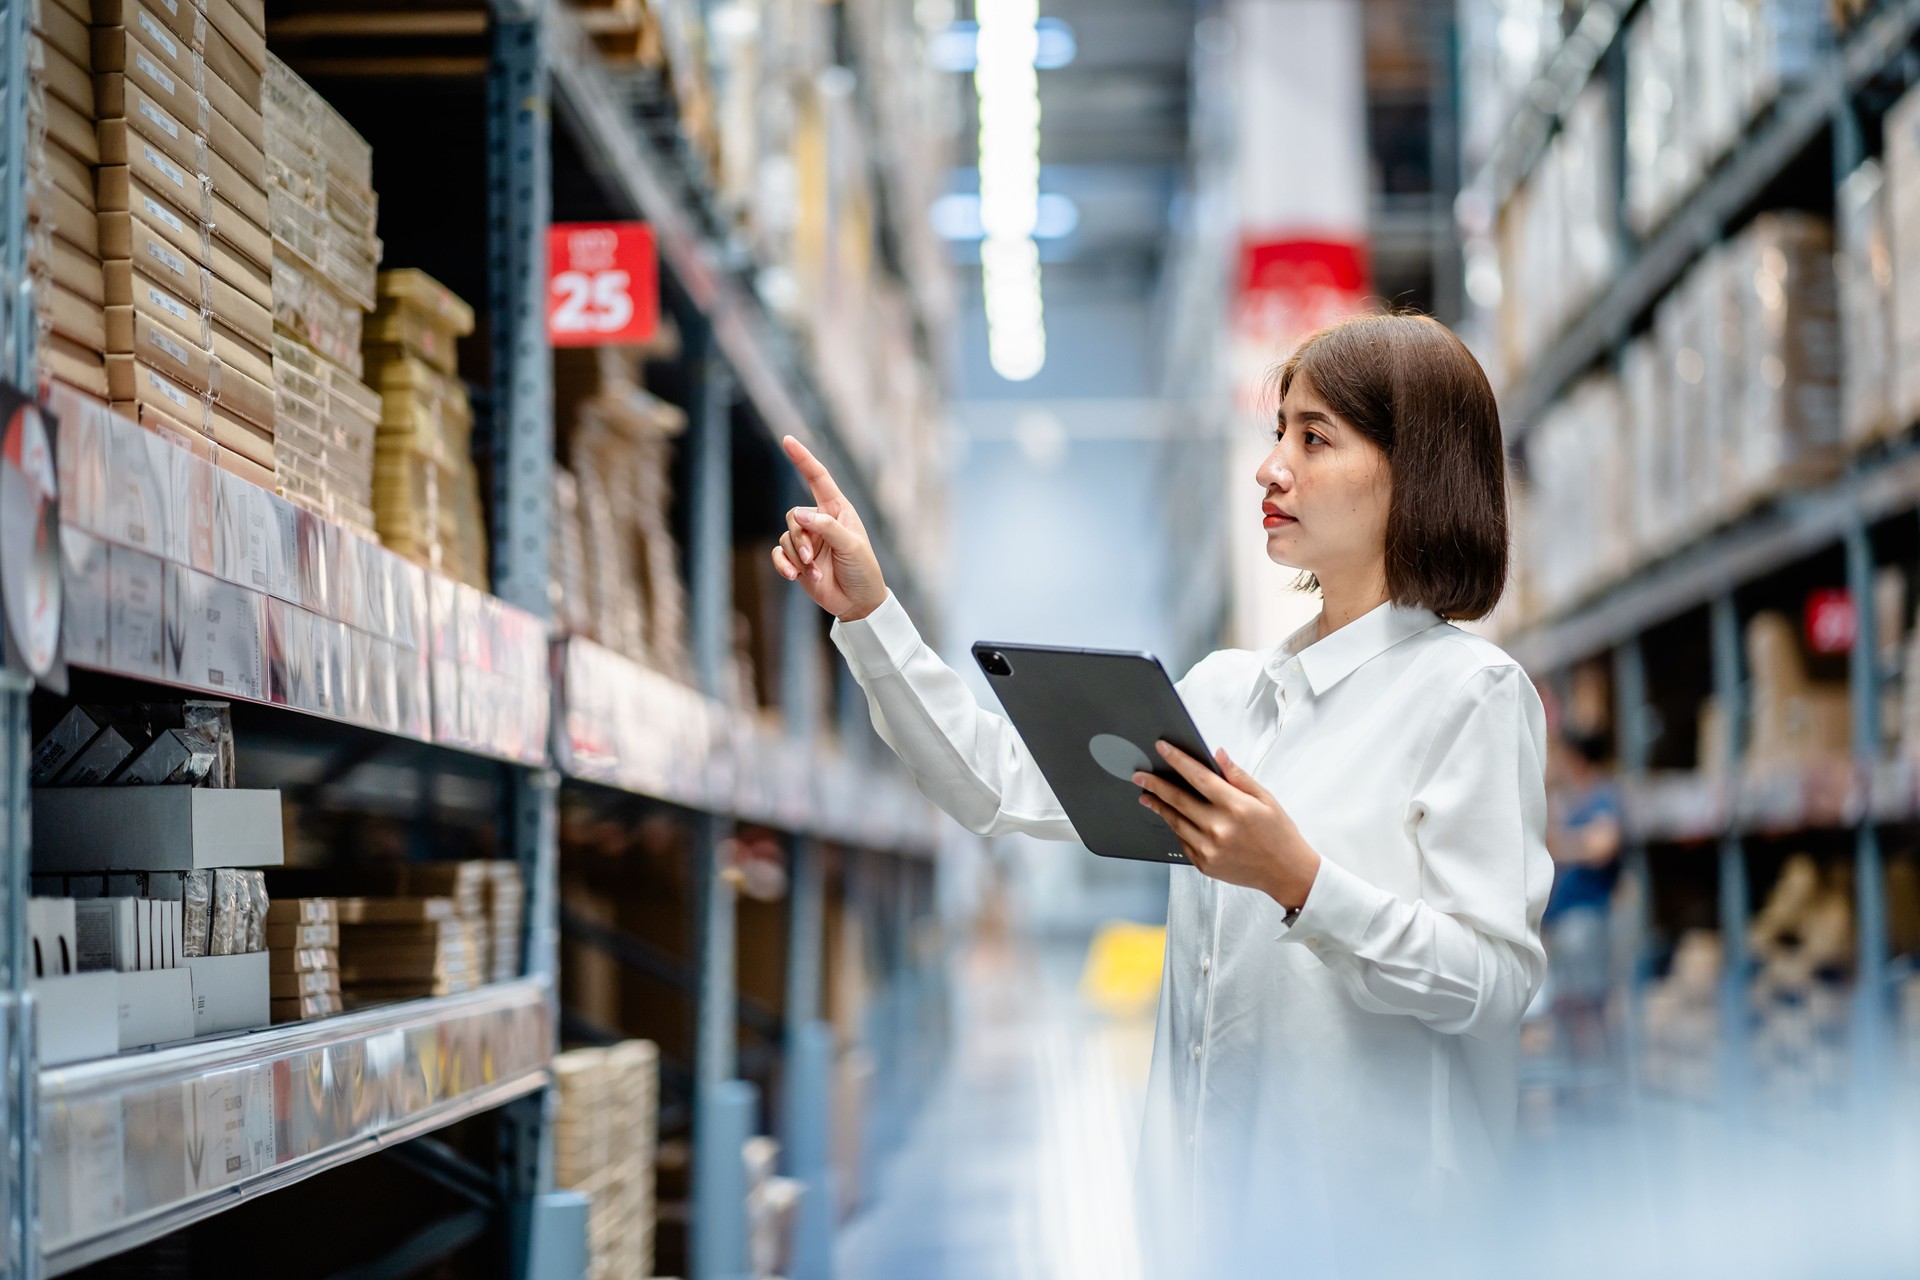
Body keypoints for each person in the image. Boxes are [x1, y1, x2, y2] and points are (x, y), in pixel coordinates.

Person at [772, 313, 1550, 1274]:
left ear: (1415, 471)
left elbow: (1494, 985)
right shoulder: (1228, 692)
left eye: (1314, 438)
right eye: (1277, 435)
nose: (1270, 468)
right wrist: (872, 618)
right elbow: (999, 788)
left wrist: (1301, 881)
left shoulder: (1468, 695)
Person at [1543, 731, 1623, 1074]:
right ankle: (1579, 1086)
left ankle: (1597, 1091)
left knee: (1588, 1006)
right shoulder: (1568, 802)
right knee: (1567, 1007)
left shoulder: (1600, 797)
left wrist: (1561, 846)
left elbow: (1603, 845)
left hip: (1585, 921)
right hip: (1563, 923)